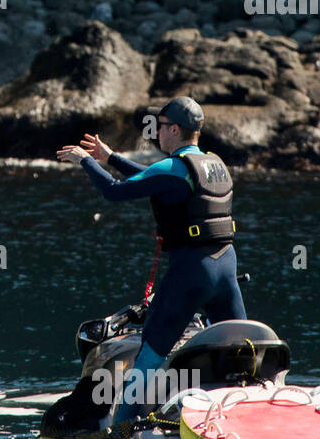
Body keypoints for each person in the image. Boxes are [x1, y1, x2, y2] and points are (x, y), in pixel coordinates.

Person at [57, 96, 246, 421]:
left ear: (173, 129)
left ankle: (122, 426)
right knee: (241, 349)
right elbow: (157, 179)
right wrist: (110, 156)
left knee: (150, 354)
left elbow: (115, 191)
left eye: (159, 127)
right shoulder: (213, 164)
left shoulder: (172, 168)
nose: (156, 133)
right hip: (227, 268)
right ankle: (245, 414)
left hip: (191, 274)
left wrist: (85, 161)